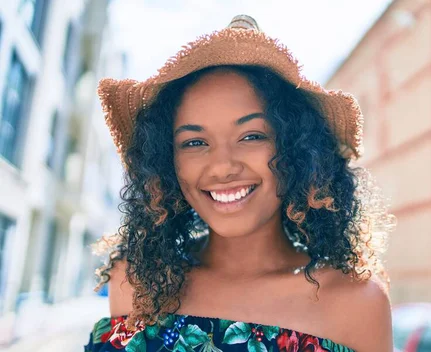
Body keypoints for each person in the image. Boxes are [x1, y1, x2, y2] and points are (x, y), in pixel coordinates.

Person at [85, 14, 395, 352]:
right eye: (194, 142)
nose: (222, 166)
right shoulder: (136, 284)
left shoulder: (356, 304)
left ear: (297, 150)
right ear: (166, 161)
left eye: (251, 136)